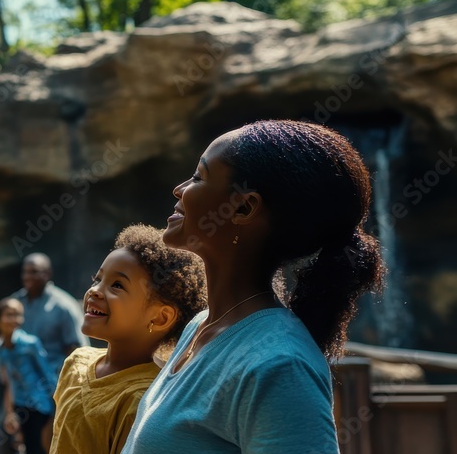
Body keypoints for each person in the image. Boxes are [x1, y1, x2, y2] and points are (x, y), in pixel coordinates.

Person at [122, 120, 386, 453]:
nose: (180, 188)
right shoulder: (199, 327)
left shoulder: (279, 364)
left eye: (199, 177)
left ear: (244, 207)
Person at [50, 224, 207, 454]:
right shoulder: (76, 362)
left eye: (117, 285)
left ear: (161, 317)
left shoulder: (143, 398)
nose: (95, 290)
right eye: (98, 279)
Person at [0, 253, 87, 453]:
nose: (28, 277)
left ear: (47, 274)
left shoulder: (64, 307)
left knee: (43, 445)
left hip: (49, 390)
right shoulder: (15, 303)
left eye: (34, 272)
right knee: (4, 441)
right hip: (18, 388)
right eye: (25, 272)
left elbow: (79, 352)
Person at [0, 297, 58, 454]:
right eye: (9, 314)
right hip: (17, 405)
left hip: (40, 406)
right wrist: (9, 412)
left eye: (17, 314)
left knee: (36, 448)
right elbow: (8, 383)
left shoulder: (30, 343)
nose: (14, 319)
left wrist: (55, 412)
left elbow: (48, 375)